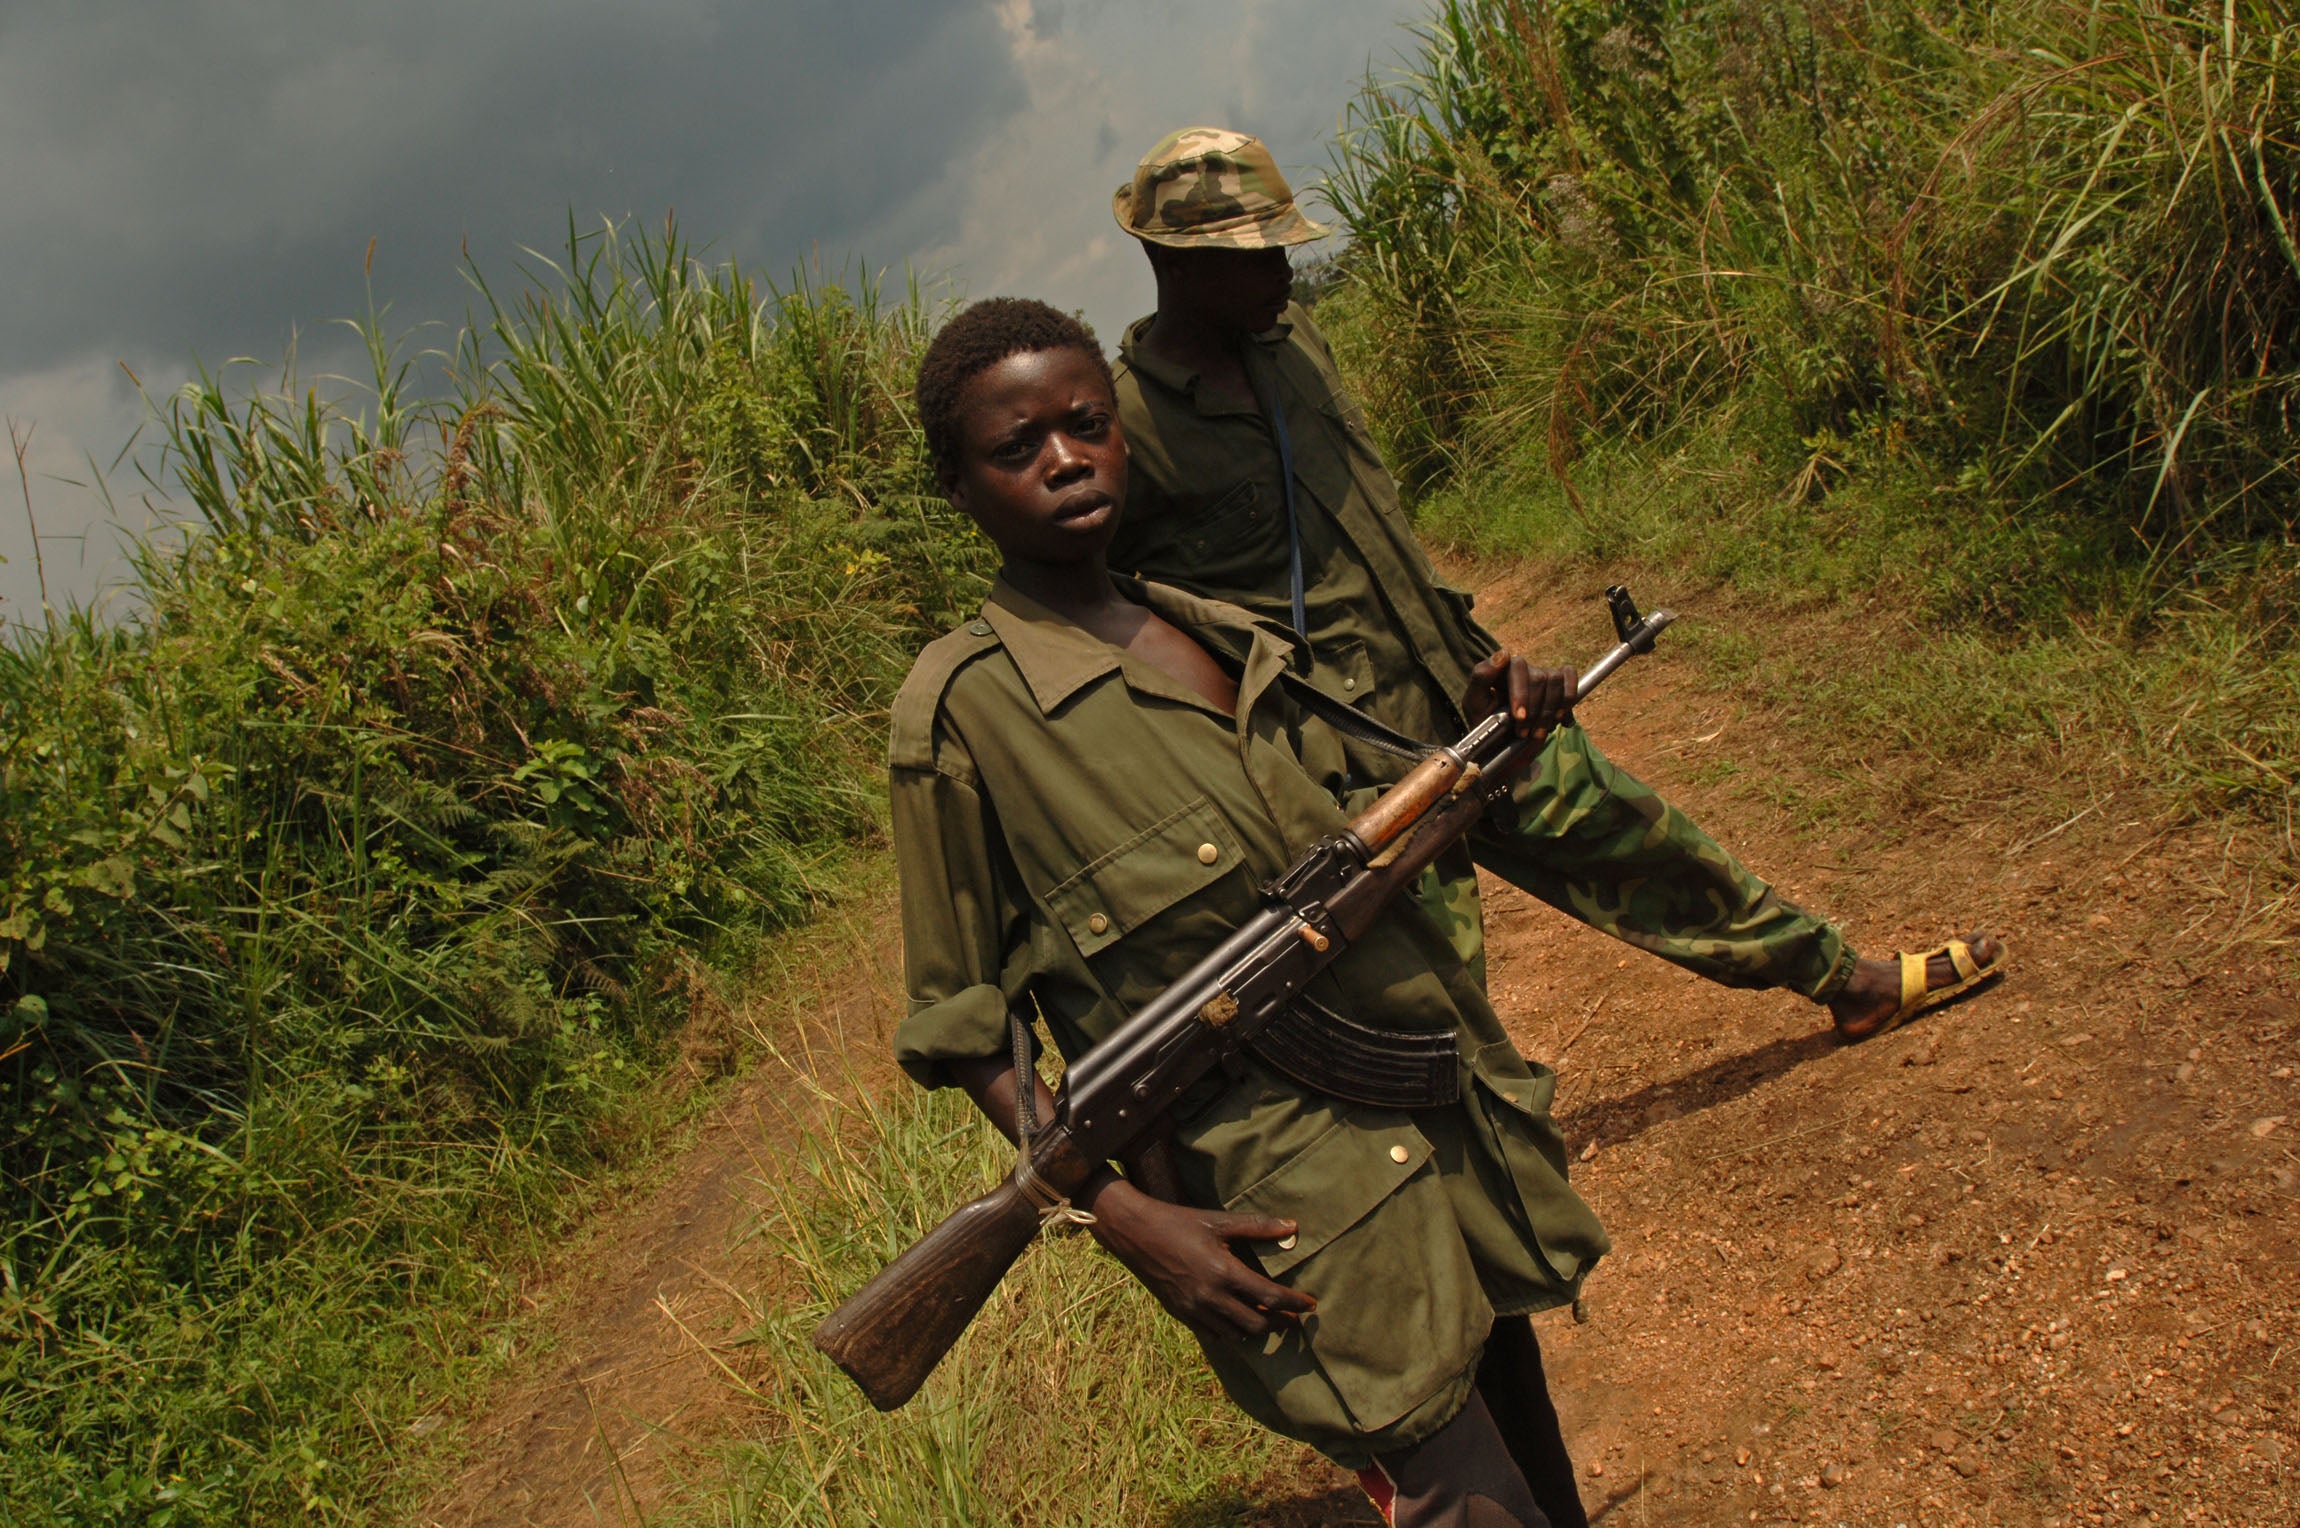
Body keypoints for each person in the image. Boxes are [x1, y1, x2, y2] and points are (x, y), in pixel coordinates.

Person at [893, 296, 1606, 1527]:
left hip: (1423, 1104)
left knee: (1511, 1387)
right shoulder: (964, 714)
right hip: (1287, 1195)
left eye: (1087, 426)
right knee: (1456, 1490)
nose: (1066, 460)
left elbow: (1368, 825)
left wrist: (1498, 731)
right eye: (1018, 447)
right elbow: (964, 1030)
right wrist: (1128, 1222)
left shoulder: (1210, 626)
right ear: (954, 484)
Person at [1103, 126, 2005, 1041]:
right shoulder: (1126, 429)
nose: (1283, 272)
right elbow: (1127, 631)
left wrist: (1482, 648)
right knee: (1433, 1010)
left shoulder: (1295, 341)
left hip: (1473, 692)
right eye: (1254, 257)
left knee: (1643, 841)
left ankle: (1844, 981)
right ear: (1172, 261)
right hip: (1355, 773)